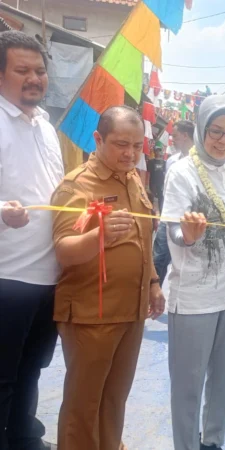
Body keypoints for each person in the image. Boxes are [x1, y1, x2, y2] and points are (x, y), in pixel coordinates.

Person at [51, 106, 166, 449]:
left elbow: (144, 240)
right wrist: (97, 237)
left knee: (115, 400)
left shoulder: (132, 180)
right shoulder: (77, 186)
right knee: (83, 405)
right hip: (91, 314)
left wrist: (154, 282)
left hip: (131, 310)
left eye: (136, 145)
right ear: (98, 139)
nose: (130, 153)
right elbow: (63, 249)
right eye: (120, 144)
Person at [162, 96, 225, 450]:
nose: (223, 140)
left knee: (223, 381)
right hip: (195, 297)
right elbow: (171, 229)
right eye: (216, 131)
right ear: (202, 129)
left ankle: (212, 443)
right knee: (188, 387)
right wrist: (186, 236)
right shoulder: (182, 172)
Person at [0, 30, 63, 450]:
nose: (34, 78)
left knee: (33, 366)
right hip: (7, 277)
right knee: (2, 373)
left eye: (39, 70)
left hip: (50, 275)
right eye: (22, 70)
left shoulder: (47, 128)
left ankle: (24, 435)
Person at [153, 119, 194, 287]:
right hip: (168, 217)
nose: (173, 140)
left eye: (175, 136)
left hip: (190, 220)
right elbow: (165, 190)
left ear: (185, 136)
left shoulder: (200, 161)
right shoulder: (171, 161)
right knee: (159, 259)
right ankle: (151, 296)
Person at [148, 145, 166, 212]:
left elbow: (165, 172)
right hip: (153, 182)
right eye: (156, 151)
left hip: (161, 183)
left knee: (161, 199)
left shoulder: (164, 162)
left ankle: (161, 213)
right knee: (151, 198)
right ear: (154, 152)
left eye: (159, 150)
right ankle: (151, 213)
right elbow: (148, 172)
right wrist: (147, 184)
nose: (157, 152)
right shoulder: (151, 162)